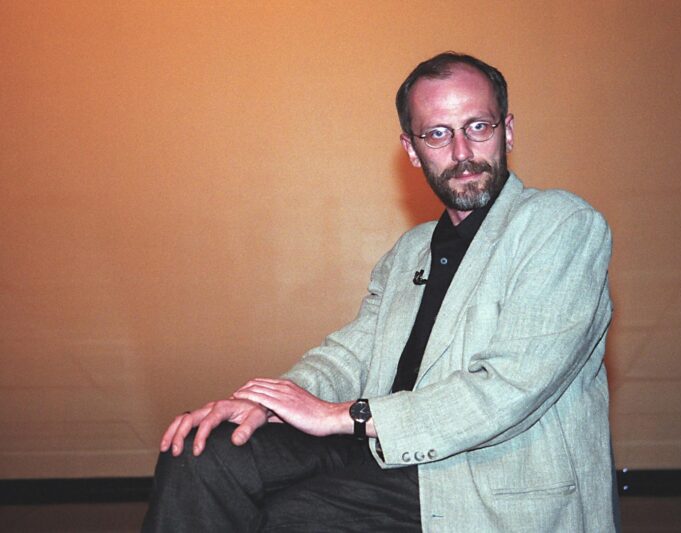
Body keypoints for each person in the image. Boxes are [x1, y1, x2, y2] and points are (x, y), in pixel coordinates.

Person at [143, 52, 619, 532]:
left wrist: (345, 416)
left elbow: (508, 389)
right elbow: (352, 354)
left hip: (480, 475)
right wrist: (268, 402)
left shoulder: (560, 225)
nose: (462, 152)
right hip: (380, 450)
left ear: (507, 132)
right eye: (437, 134)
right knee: (202, 454)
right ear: (412, 149)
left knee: (291, 517)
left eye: (478, 127)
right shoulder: (411, 250)